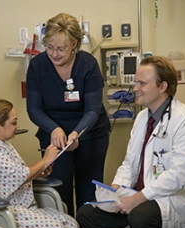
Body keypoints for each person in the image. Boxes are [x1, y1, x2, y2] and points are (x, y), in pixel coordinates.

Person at [76, 56, 185, 228]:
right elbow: (130, 163)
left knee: (140, 217)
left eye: (142, 83)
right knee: (87, 215)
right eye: (135, 83)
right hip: (142, 193)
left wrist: (139, 198)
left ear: (162, 87)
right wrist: (115, 188)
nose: (135, 89)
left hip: (178, 198)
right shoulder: (142, 118)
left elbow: (182, 174)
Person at [26, 12, 111, 217]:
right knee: (58, 190)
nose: (54, 54)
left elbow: (93, 108)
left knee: (87, 191)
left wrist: (77, 133)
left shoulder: (87, 64)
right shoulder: (38, 66)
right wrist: (54, 129)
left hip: (89, 132)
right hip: (53, 133)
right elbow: (34, 109)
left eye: (61, 48)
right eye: (50, 47)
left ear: (74, 44)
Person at [0, 98, 82, 228]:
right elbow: (17, 176)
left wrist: (39, 172)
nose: (17, 125)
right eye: (13, 122)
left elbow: (11, 174)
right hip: (3, 210)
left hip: (19, 209)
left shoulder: (0, 143)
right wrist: (45, 160)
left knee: (71, 223)